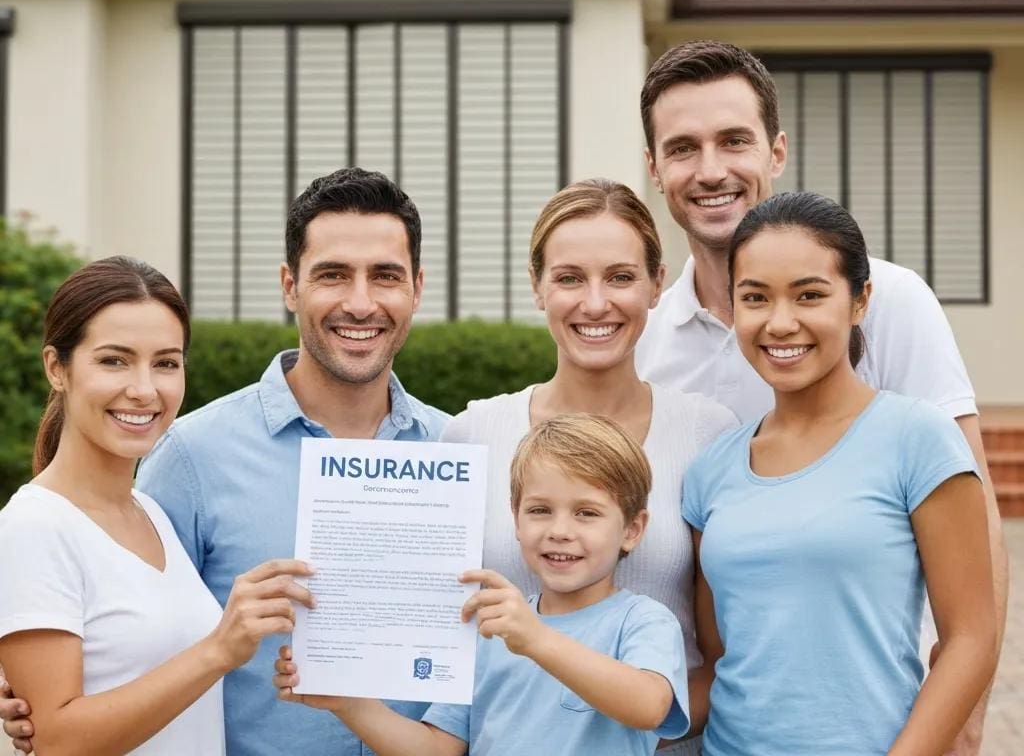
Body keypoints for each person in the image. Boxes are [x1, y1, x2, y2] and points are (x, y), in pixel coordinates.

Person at [633, 40, 1006, 753]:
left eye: (733, 140)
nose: (710, 170)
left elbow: (976, 534)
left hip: (890, 719)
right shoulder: (646, 348)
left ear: (776, 150)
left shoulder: (893, 300)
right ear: (654, 168)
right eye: (683, 148)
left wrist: (960, 727)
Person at [1, 169, 449, 756]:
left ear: (416, 287)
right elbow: (110, 639)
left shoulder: (457, 449)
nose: (360, 302)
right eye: (333, 274)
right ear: (290, 286)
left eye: (385, 276)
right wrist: (34, 683)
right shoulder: (188, 458)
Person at [682, 192, 997, 755]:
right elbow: (723, 661)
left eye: (810, 295)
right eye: (755, 298)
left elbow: (970, 639)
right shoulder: (711, 469)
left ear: (859, 301)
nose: (781, 323)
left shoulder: (919, 439)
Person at [441, 178, 737, 754]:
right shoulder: (471, 435)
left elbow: (724, 660)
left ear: (656, 284)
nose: (595, 303)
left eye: (621, 277)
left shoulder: (708, 434)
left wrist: (614, 729)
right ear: (537, 287)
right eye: (569, 278)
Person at [0, 257, 313, 756]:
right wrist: (217, 652)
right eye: (114, 360)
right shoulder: (33, 526)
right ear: (56, 368)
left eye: (165, 363)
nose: (144, 390)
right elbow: (58, 741)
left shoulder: (152, 513)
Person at [273, 413, 690, 756]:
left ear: (633, 530)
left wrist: (536, 639)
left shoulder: (642, 620)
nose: (560, 531)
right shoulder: (492, 632)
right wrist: (349, 702)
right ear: (515, 519)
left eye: (586, 513)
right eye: (540, 510)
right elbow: (438, 749)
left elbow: (649, 707)